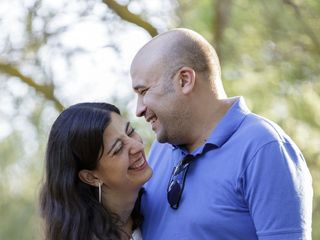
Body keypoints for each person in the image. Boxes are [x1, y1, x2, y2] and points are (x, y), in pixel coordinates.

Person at [130, 28, 313, 239]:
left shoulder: (264, 148)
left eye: (143, 92)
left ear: (184, 80)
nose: (139, 109)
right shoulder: (160, 149)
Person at [39, 102, 152, 240]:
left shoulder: (155, 202)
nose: (138, 146)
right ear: (91, 177)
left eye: (130, 132)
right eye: (118, 148)